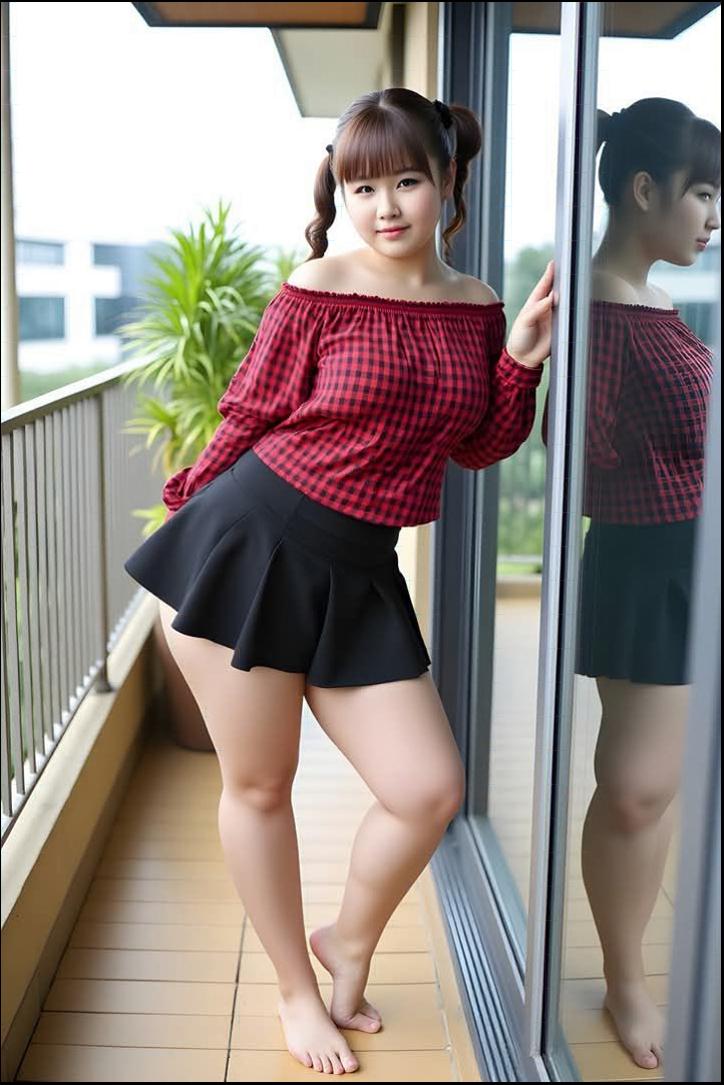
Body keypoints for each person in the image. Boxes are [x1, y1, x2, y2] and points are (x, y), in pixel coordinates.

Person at [124, 87, 553, 1076]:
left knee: (428, 787)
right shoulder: (317, 284)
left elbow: (481, 445)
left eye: (406, 179)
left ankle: (348, 942)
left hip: (361, 567)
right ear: (341, 192)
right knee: (261, 784)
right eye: (362, 185)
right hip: (255, 545)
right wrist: (191, 515)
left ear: (449, 183)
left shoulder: (477, 302)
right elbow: (248, 409)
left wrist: (520, 361)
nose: (385, 205)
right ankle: (292, 989)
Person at [545, 98, 719, 1071]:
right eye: (703, 192)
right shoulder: (597, 310)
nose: (713, 215)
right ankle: (625, 977)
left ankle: (634, 968)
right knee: (637, 791)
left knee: (654, 788)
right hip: (651, 561)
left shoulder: (647, 300)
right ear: (644, 188)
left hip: (687, 552)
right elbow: (571, 451)